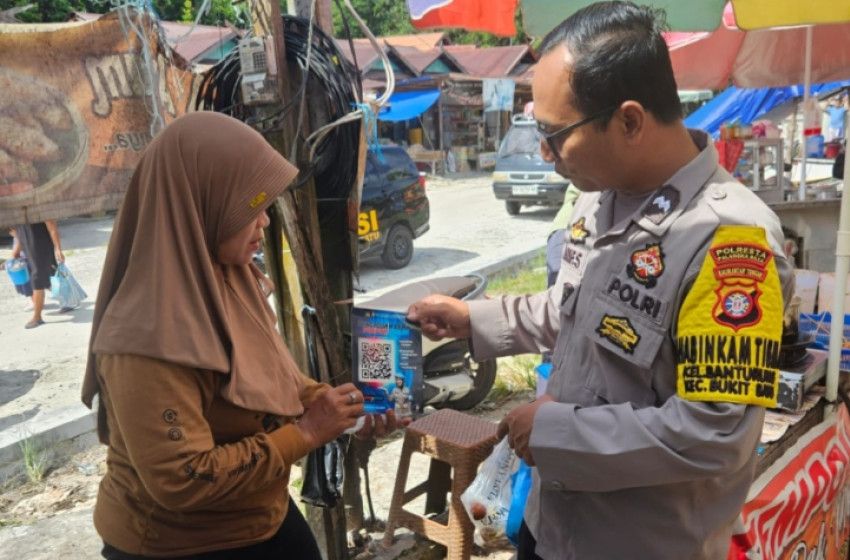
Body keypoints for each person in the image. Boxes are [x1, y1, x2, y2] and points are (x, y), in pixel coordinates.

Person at [408, 3, 793, 559]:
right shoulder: (600, 198)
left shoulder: (730, 241)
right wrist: (474, 320)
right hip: (553, 525)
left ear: (630, 121)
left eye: (554, 134)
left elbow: (716, 434)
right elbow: (576, 311)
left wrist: (556, 431)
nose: (545, 154)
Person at [81, 112, 401, 559]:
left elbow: (272, 379)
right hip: (178, 543)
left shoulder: (231, 279)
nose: (266, 223)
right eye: (254, 207)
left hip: (257, 512)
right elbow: (184, 477)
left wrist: (342, 410)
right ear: (203, 203)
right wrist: (307, 433)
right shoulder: (143, 338)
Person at [11, 219, 65, 328]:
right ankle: (68, 300)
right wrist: (16, 253)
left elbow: (52, 226)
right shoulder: (16, 214)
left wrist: (58, 249)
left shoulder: (38, 208)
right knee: (43, 278)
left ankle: (37, 317)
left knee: (37, 280)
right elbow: (19, 234)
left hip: (42, 248)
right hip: (28, 250)